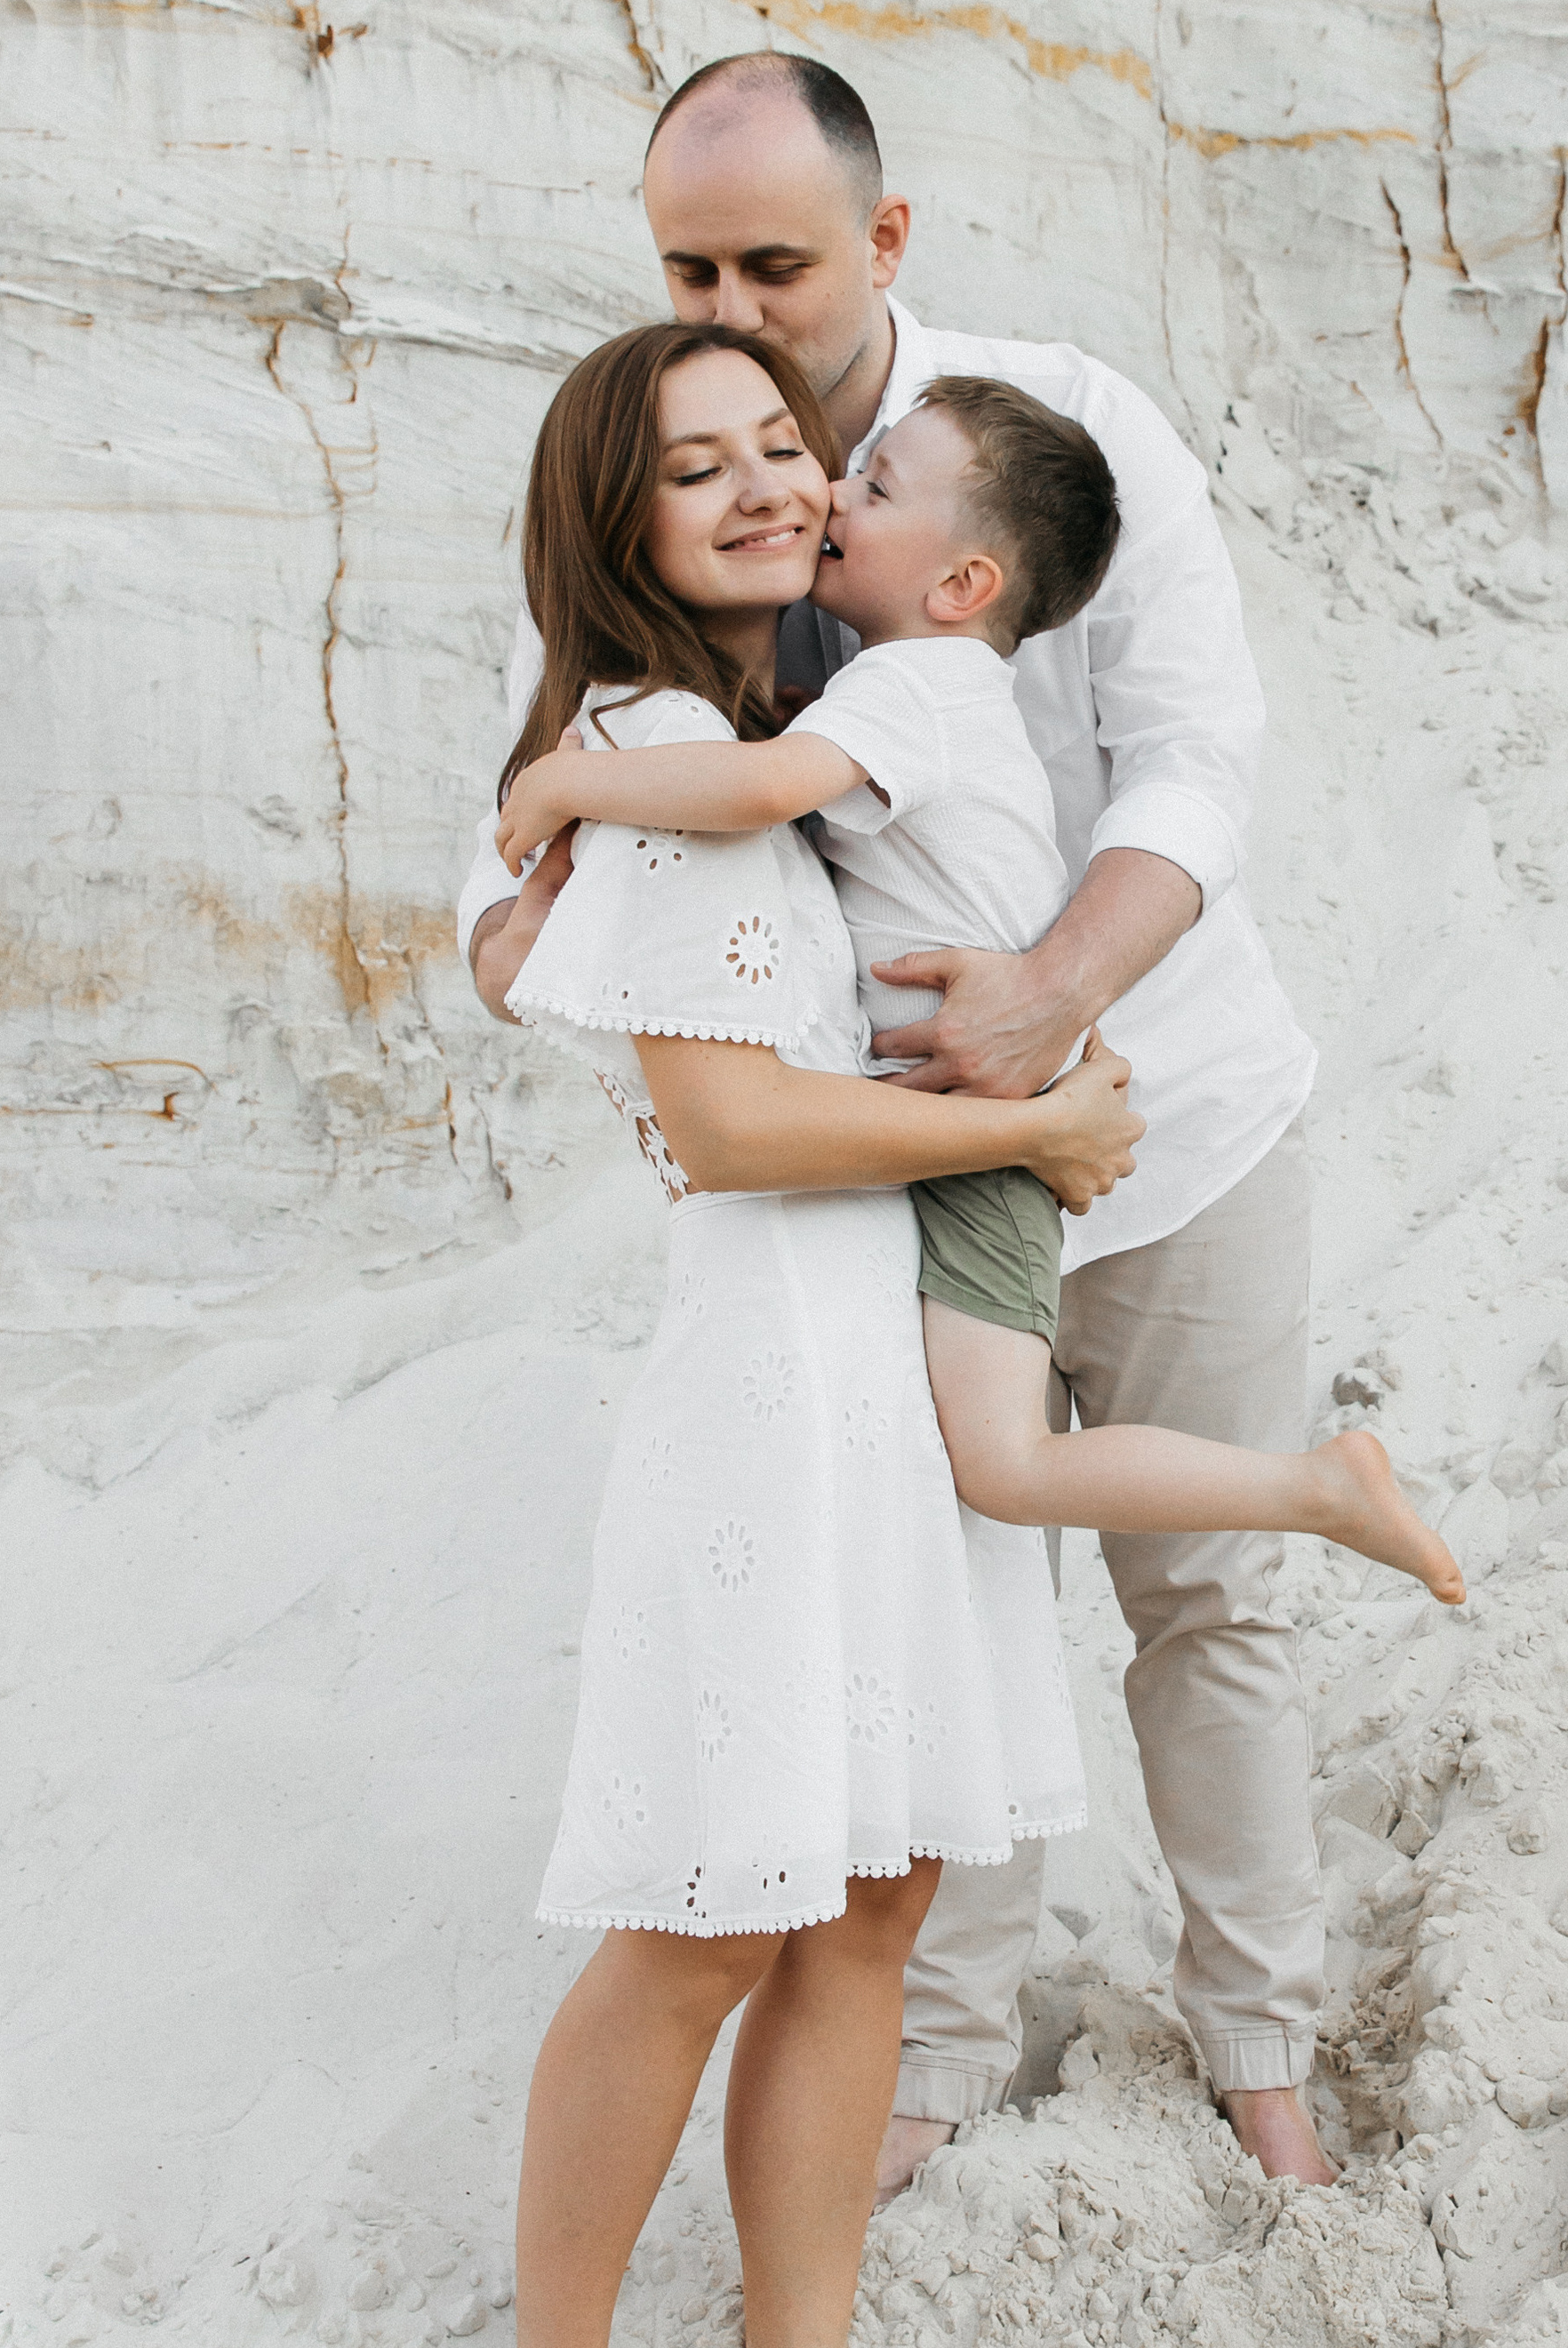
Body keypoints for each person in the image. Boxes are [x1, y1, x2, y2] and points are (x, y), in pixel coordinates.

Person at [463, 50, 1337, 2194]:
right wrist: (529, 933)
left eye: (773, 264)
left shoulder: (1048, 433)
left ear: (883, 239)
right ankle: (938, 2056)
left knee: (1206, 1602)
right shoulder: (687, 481)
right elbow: (541, 793)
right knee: (951, 1608)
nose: (733, 309)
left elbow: (1197, 756)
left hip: (1174, 1113)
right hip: (900, 1185)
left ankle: (1262, 2045)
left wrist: (1057, 998)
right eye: (689, 268)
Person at [492, 319, 1141, 2348]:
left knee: (868, 1910)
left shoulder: (803, 737)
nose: (772, 484)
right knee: (706, 1913)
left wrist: (1045, 1086)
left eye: (785, 441)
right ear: (618, 523)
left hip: (898, 1368)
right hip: (773, 1378)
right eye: (701, 468)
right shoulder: (660, 749)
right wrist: (1035, 1125)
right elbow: (735, 1128)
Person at [496, 369, 1465, 1606]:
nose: (832, 490)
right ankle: (1306, 1489)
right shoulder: (909, 692)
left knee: (1003, 1465)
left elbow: (758, 789)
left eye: (875, 485)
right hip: (972, 1127)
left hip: (987, 1152)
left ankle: (1314, 1490)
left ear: (960, 586)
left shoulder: (913, 688)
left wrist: (567, 783)